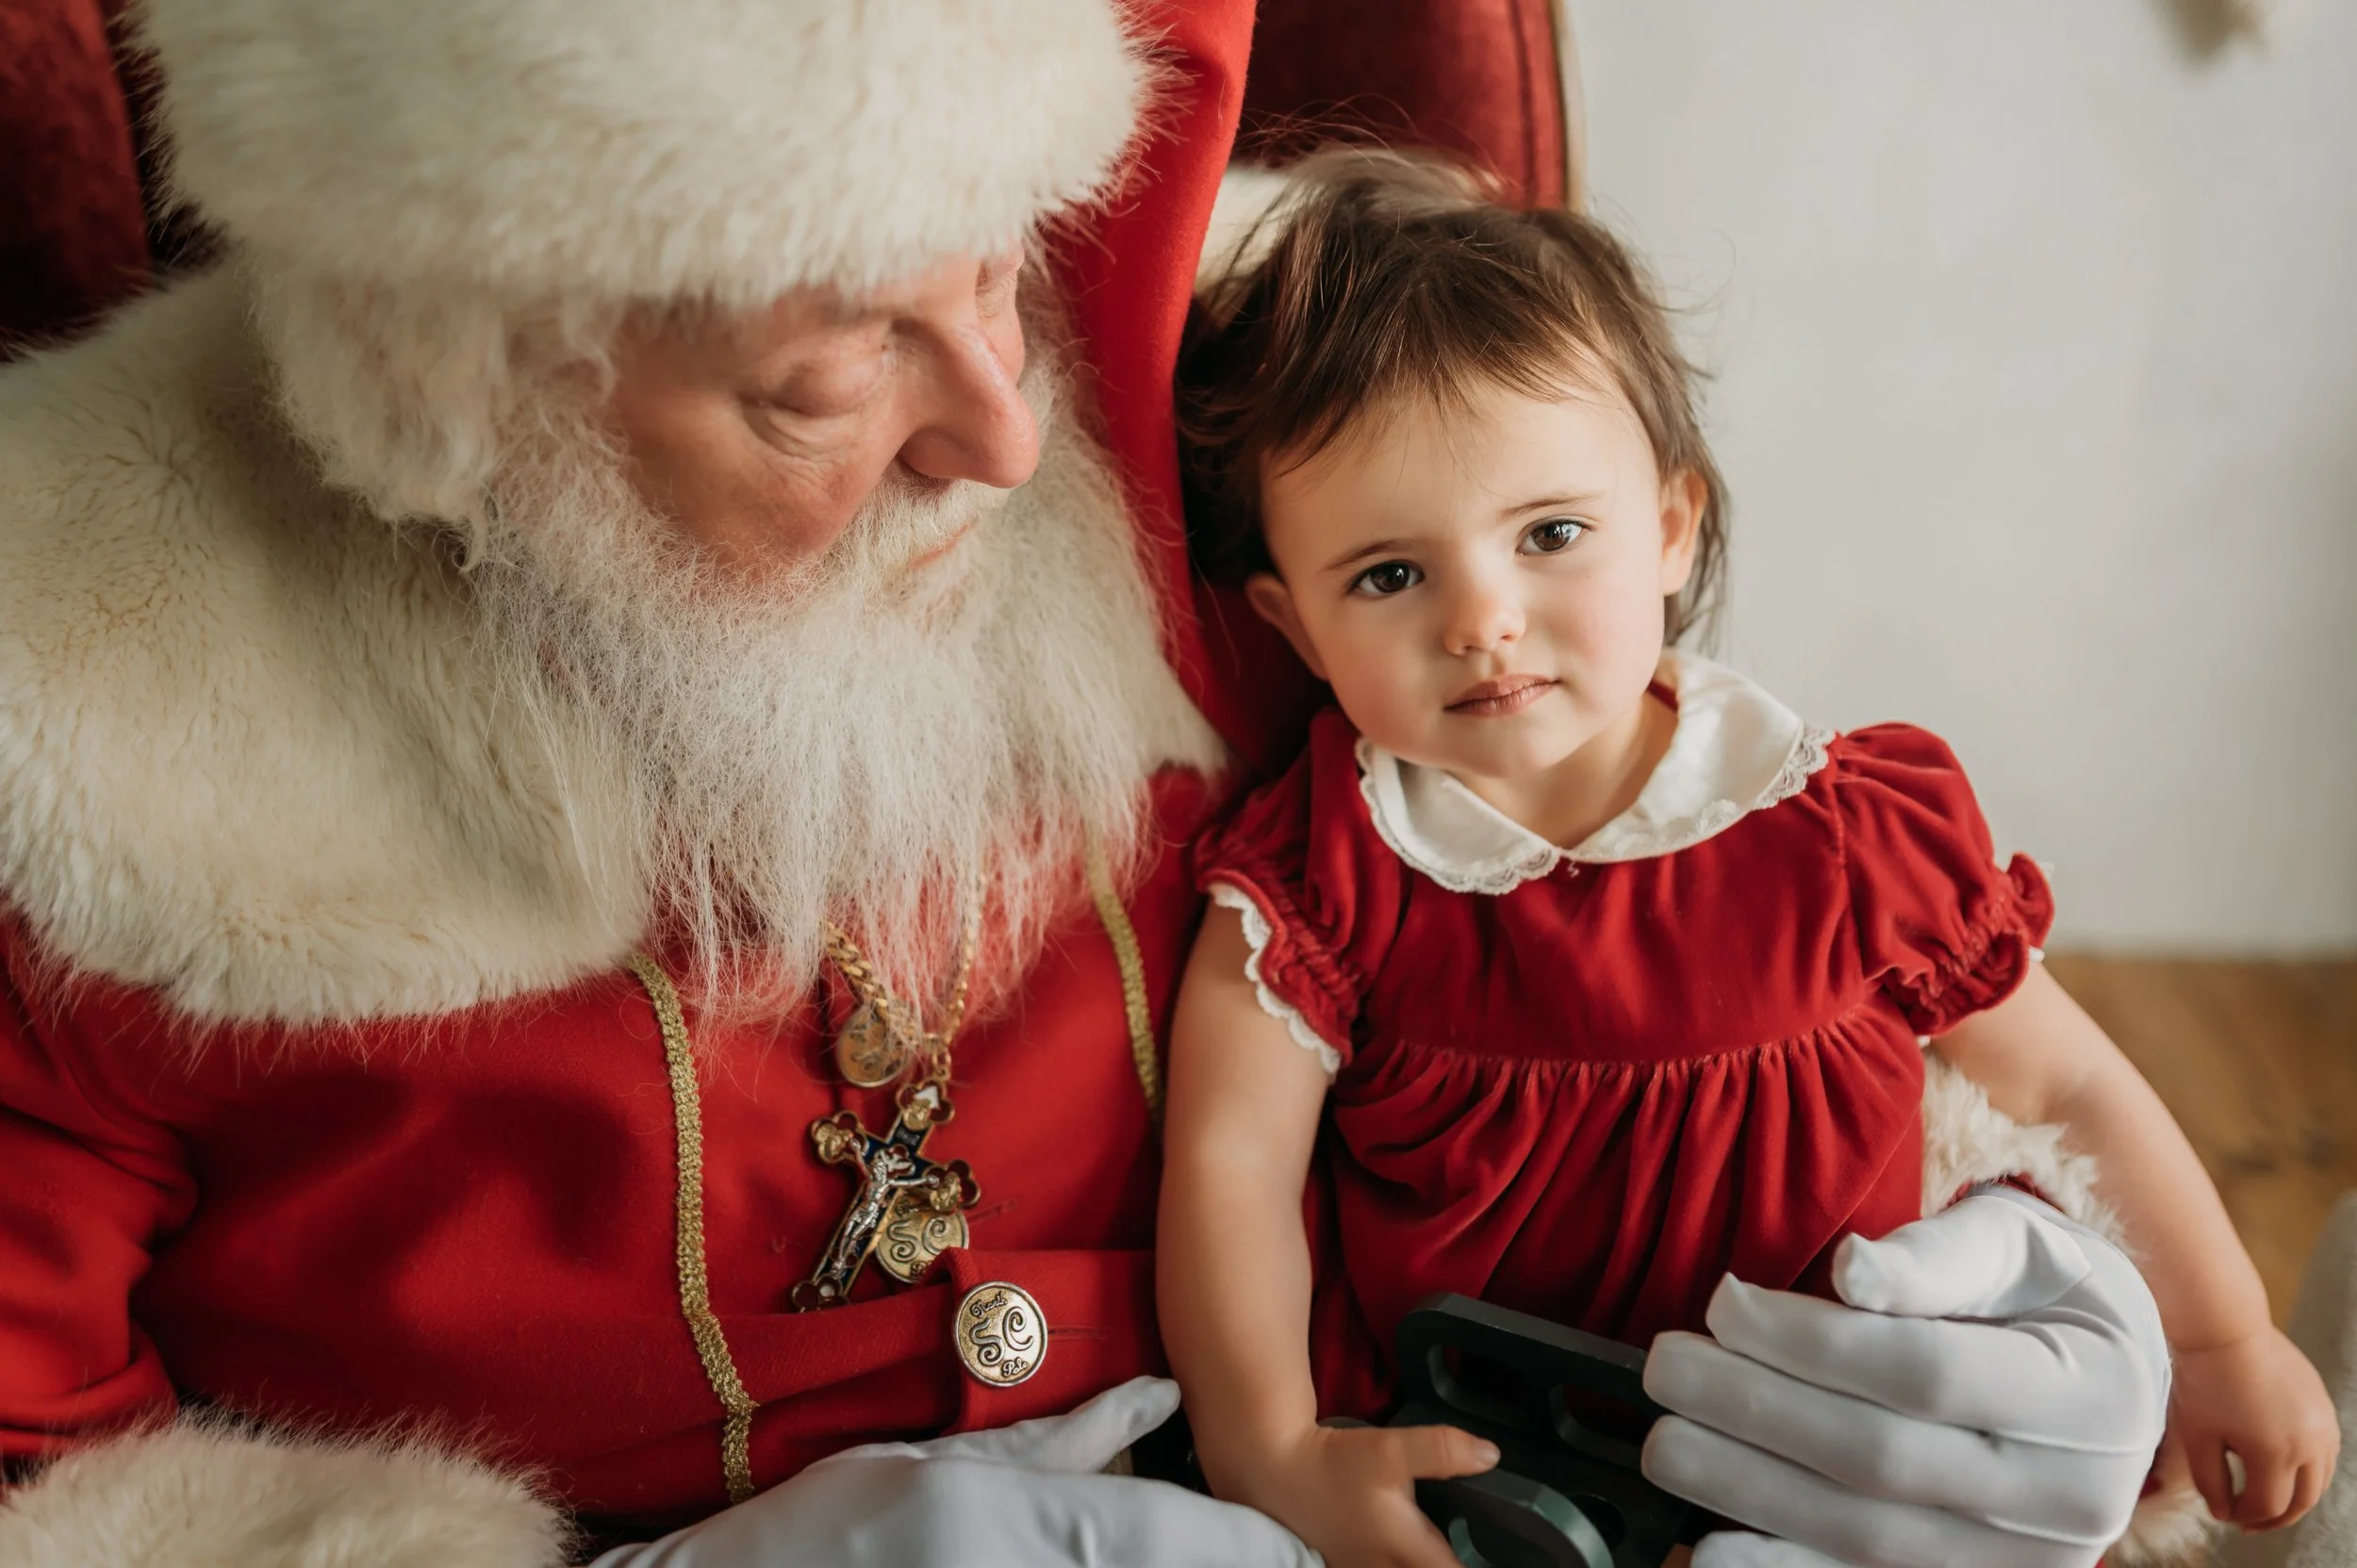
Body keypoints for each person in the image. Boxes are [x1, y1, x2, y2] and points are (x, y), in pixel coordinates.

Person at [0, 4, 2188, 1565]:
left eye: (997, 277)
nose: (1008, 441)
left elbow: (1646, 846)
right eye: (820, 377)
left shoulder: (1236, 416)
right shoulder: (87, 701)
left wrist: (2015, 1243)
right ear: (462, 389)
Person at [1159, 150, 2338, 1568]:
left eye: (1550, 535)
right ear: (1294, 624)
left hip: (1843, 1443)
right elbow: (1227, 1165)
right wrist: (1272, 1447)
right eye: (1390, 575)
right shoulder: (1318, 880)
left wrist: (2218, 1330)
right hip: (1490, 1446)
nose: (1485, 620)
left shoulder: (1835, 828)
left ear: (1667, 529)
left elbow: (2065, 1076)